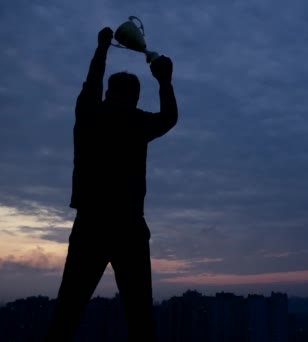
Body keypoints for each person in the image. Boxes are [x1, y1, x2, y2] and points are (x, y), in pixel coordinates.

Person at [46, 26, 178, 341]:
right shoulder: (137, 122)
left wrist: (103, 47)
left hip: (90, 224)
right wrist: (164, 82)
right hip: (128, 226)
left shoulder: (90, 114)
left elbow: (91, 82)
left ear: (107, 93)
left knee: (68, 312)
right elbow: (169, 118)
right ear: (134, 98)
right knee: (140, 317)